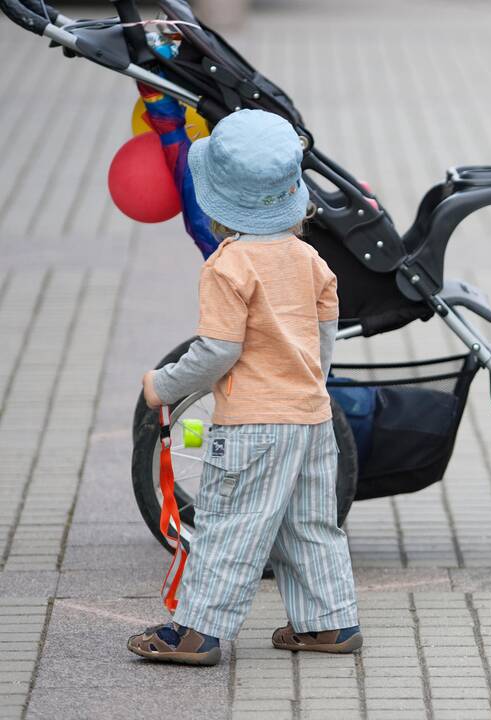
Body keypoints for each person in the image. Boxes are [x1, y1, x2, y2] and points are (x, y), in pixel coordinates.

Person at [127, 109, 361, 666]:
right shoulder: (310, 259)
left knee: (229, 525)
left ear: (217, 200)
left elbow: (217, 351)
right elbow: (324, 335)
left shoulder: (228, 267)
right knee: (311, 524)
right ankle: (330, 623)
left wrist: (163, 384)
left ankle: (197, 632)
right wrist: (307, 384)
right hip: (311, 417)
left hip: (253, 425)